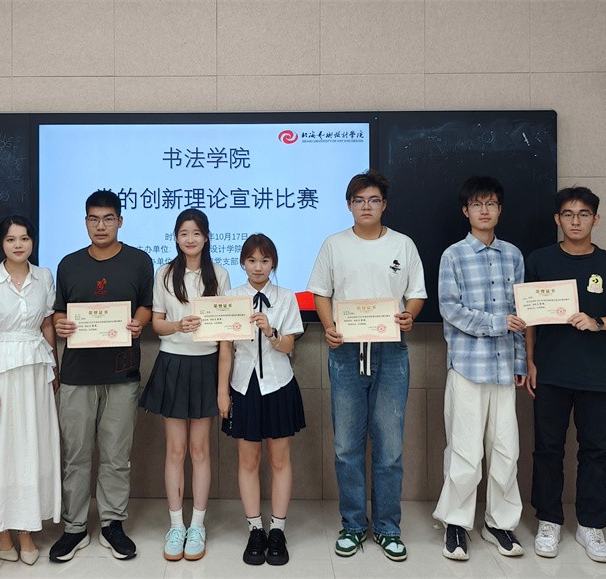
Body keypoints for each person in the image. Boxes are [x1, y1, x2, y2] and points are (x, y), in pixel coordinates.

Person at [307, 169, 426, 562]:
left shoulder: (403, 244)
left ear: (384, 205)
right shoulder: (333, 245)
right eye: (358, 201)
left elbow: (416, 294)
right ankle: (354, 525)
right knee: (346, 446)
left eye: (373, 200)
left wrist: (409, 314)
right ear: (349, 205)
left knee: (389, 447)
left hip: (391, 352)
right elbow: (320, 293)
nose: (366, 207)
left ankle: (388, 528)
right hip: (345, 352)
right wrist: (329, 327)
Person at [523, 186, 606, 563]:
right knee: (547, 450)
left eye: (584, 214)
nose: (576, 221)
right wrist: (530, 361)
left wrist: (598, 321)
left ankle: (591, 525)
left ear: (596, 219)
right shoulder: (539, 260)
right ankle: (549, 521)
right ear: (557, 219)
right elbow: (529, 317)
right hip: (550, 372)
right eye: (568, 214)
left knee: (595, 452)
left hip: (597, 376)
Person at [48, 190, 153, 563]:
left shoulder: (139, 261)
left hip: (122, 373)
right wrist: (61, 324)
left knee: (116, 456)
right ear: (85, 222)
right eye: (93, 219)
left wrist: (139, 323)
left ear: (120, 221)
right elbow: (59, 312)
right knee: (75, 455)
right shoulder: (69, 264)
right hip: (77, 375)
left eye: (108, 218)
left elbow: (147, 305)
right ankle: (74, 527)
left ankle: (112, 524)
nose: (101, 226)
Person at [433, 176, 527, 561]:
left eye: (490, 204)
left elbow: (520, 313)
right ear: (466, 211)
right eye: (477, 204)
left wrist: (520, 360)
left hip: (504, 369)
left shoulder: (513, 255)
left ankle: (498, 524)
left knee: (506, 451)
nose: (484, 210)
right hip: (467, 367)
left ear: (500, 210)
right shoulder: (453, 255)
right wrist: (496, 324)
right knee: (465, 450)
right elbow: (450, 309)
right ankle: (456, 524)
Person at [0, 215, 60, 566]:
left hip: (35, 369)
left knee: (31, 447)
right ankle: (0, 529)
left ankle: (25, 528)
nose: (18, 245)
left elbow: (47, 325)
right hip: (1, 371)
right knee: (0, 449)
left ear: (33, 242)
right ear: (1, 244)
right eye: (11, 239)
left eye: (24, 238)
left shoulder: (44, 277)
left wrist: (55, 369)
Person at [138, 208, 230, 562]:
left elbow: (226, 329)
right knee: (175, 450)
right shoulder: (164, 273)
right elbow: (157, 324)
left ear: (206, 237)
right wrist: (179, 326)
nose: (190, 239)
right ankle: (176, 525)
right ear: (176, 238)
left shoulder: (219, 274)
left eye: (196, 233)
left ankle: (198, 525)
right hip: (172, 363)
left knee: (200, 449)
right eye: (183, 233)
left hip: (206, 364)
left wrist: (223, 388)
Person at [217, 233, 306, 566]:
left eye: (265, 260)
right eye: (252, 260)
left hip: (279, 384)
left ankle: (278, 530)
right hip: (243, 385)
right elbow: (225, 348)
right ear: (242, 263)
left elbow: (289, 346)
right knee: (248, 461)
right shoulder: (230, 298)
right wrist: (222, 392)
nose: (258, 267)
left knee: (280, 460)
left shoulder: (286, 297)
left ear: (273, 264)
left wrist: (270, 332)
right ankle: (255, 529)